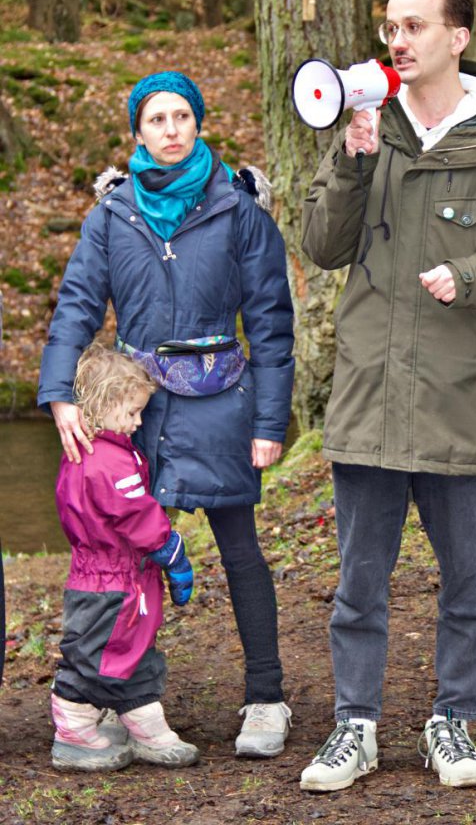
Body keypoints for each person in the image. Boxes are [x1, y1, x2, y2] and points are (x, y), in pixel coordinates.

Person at [299, 0, 476, 792]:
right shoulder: (367, 121)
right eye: (389, 27)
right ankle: (355, 726)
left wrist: (472, 277)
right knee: (357, 588)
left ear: (458, 36)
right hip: (372, 400)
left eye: (414, 26)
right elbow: (321, 247)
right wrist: (350, 160)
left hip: (462, 400)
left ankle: (453, 721)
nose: (397, 40)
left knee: (466, 585)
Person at [38, 71, 295, 760]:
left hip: (221, 405)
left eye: (183, 115)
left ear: (199, 123)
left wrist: (271, 423)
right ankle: (116, 699)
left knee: (241, 553)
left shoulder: (240, 211)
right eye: (157, 118)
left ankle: (266, 698)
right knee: (124, 559)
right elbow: (77, 307)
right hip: (134, 414)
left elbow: (271, 323)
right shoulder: (111, 216)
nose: (172, 128)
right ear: (138, 131)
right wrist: (61, 393)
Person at [50, 342, 198, 771]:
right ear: (104, 404)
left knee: (130, 646)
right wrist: (171, 549)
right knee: (100, 652)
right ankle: (75, 724)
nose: (137, 422)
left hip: (117, 574)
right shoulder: (107, 462)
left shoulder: (95, 452)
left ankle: (139, 722)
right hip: (110, 579)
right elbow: (134, 513)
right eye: (132, 412)